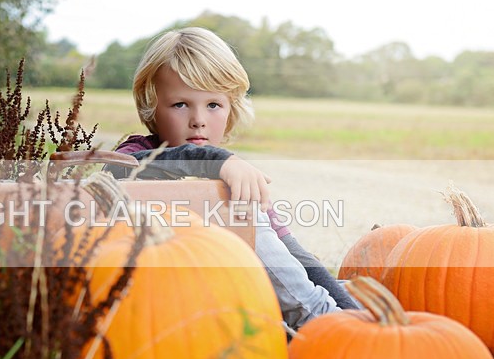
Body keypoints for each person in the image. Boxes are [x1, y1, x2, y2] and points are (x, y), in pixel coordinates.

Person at [104, 27, 360, 330]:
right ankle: (319, 322)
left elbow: (296, 257)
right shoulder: (136, 154)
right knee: (237, 209)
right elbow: (116, 173)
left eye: (213, 105)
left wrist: (354, 316)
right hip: (168, 303)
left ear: (230, 109)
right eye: (180, 104)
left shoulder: (236, 177)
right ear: (153, 106)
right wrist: (213, 162)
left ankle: (338, 324)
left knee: (347, 289)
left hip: (234, 302)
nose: (198, 119)